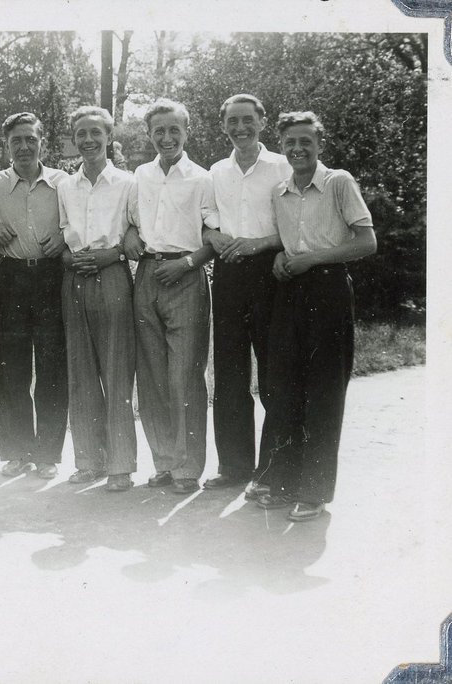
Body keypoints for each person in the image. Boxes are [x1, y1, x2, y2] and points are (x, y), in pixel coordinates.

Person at [256, 111, 376, 522]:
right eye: (290, 142)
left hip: (327, 290)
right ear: (282, 146)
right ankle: (283, 482)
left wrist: (312, 260)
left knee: (323, 392)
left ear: (319, 144)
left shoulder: (339, 182)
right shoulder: (279, 191)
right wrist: (279, 256)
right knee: (284, 388)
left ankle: (314, 491)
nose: (297, 149)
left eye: (305, 141)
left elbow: (366, 241)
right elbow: (284, 239)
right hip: (289, 291)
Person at [202, 95, 291, 500]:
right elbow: (207, 223)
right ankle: (234, 466)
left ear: (262, 121)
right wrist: (214, 237)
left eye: (248, 120)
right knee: (230, 373)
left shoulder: (282, 166)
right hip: (228, 275)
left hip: (270, 271)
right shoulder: (216, 172)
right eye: (233, 121)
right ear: (224, 126)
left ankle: (273, 469)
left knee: (274, 373)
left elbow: (294, 228)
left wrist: (257, 246)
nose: (241, 128)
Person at [129, 99, 219, 495]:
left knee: (184, 375)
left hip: (184, 275)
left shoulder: (202, 178)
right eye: (159, 131)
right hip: (147, 273)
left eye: (174, 130)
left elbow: (215, 237)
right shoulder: (140, 175)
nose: (166, 138)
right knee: (151, 376)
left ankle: (187, 468)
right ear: (149, 134)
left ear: (187, 132)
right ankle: (164, 461)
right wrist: (131, 236)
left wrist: (186, 264)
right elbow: (131, 223)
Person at [57, 106, 139, 492]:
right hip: (75, 278)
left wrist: (116, 253)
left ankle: (121, 464)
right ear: (74, 140)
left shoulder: (127, 182)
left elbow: (138, 234)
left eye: (96, 133)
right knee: (82, 371)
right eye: (81, 134)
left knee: (116, 370)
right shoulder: (65, 186)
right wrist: (68, 257)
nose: (88, 140)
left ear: (109, 137)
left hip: (111, 277)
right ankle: (90, 460)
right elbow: (62, 234)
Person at [0, 112, 69, 480]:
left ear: (42, 142)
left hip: (52, 276)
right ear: (6, 146)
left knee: (52, 365)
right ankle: (17, 451)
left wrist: (66, 238)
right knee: (11, 367)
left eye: (30, 139)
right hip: (11, 277)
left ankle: (48, 454)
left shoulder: (62, 183)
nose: (23, 147)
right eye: (15, 141)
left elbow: (80, 222)